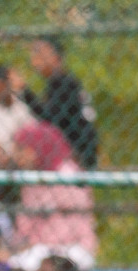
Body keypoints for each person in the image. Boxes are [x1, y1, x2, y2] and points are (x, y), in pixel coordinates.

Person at [9, 122, 97, 271]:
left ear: (38, 146)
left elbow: (75, 226)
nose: (17, 156)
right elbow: (25, 227)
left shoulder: (68, 174)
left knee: (44, 267)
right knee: (10, 266)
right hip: (38, 248)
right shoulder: (31, 178)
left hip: (71, 247)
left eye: (22, 149)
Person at [16, 36, 98, 170]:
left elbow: (51, 120)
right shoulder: (58, 82)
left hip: (75, 154)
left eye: (39, 52)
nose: (34, 59)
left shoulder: (64, 83)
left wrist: (25, 92)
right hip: (72, 151)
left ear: (55, 56)